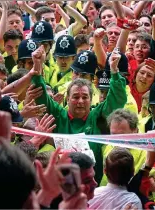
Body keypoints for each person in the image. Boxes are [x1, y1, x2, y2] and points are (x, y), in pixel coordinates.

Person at [31, 45, 127, 184]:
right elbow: (41, 97)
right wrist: (37, 66)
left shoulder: (97, 116)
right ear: (67, 99)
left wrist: (114, 70)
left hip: (92, 184)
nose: (80, 101)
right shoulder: (59, 115)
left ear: (91, 98)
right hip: (63, 184)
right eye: (75, 97)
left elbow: (117, 99)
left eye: (85, 97)